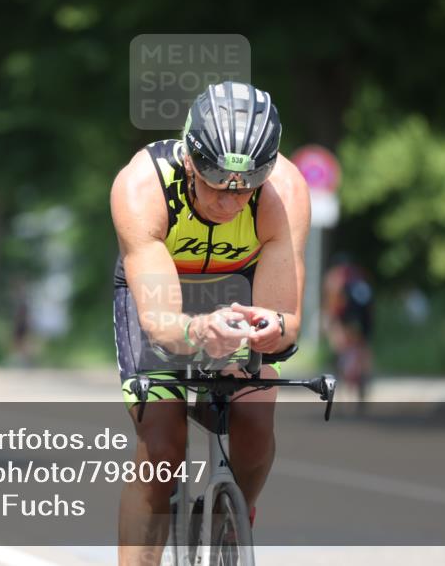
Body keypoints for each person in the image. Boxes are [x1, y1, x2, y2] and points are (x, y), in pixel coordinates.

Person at [110, 81, 309, 565]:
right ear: (190, 161)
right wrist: (199, 332)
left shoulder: (284, 189)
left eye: (246, 188)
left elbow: (288, 322)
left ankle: (235, 517)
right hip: (164, 289)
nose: (230, 203)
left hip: (239, 289)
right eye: (217, 184)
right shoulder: (142, 187)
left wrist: (270, 329)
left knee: (257, 416)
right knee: (162, 445)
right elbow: (160, 323)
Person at [322, 254, 374, 402]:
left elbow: (331, 307)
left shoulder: (333, 278)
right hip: (364, 319)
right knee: (363, 348)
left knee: (340, 349)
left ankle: (343, 380)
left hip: (345, 318)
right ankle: (364, 378)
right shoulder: (360, 277)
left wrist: (330, 326)